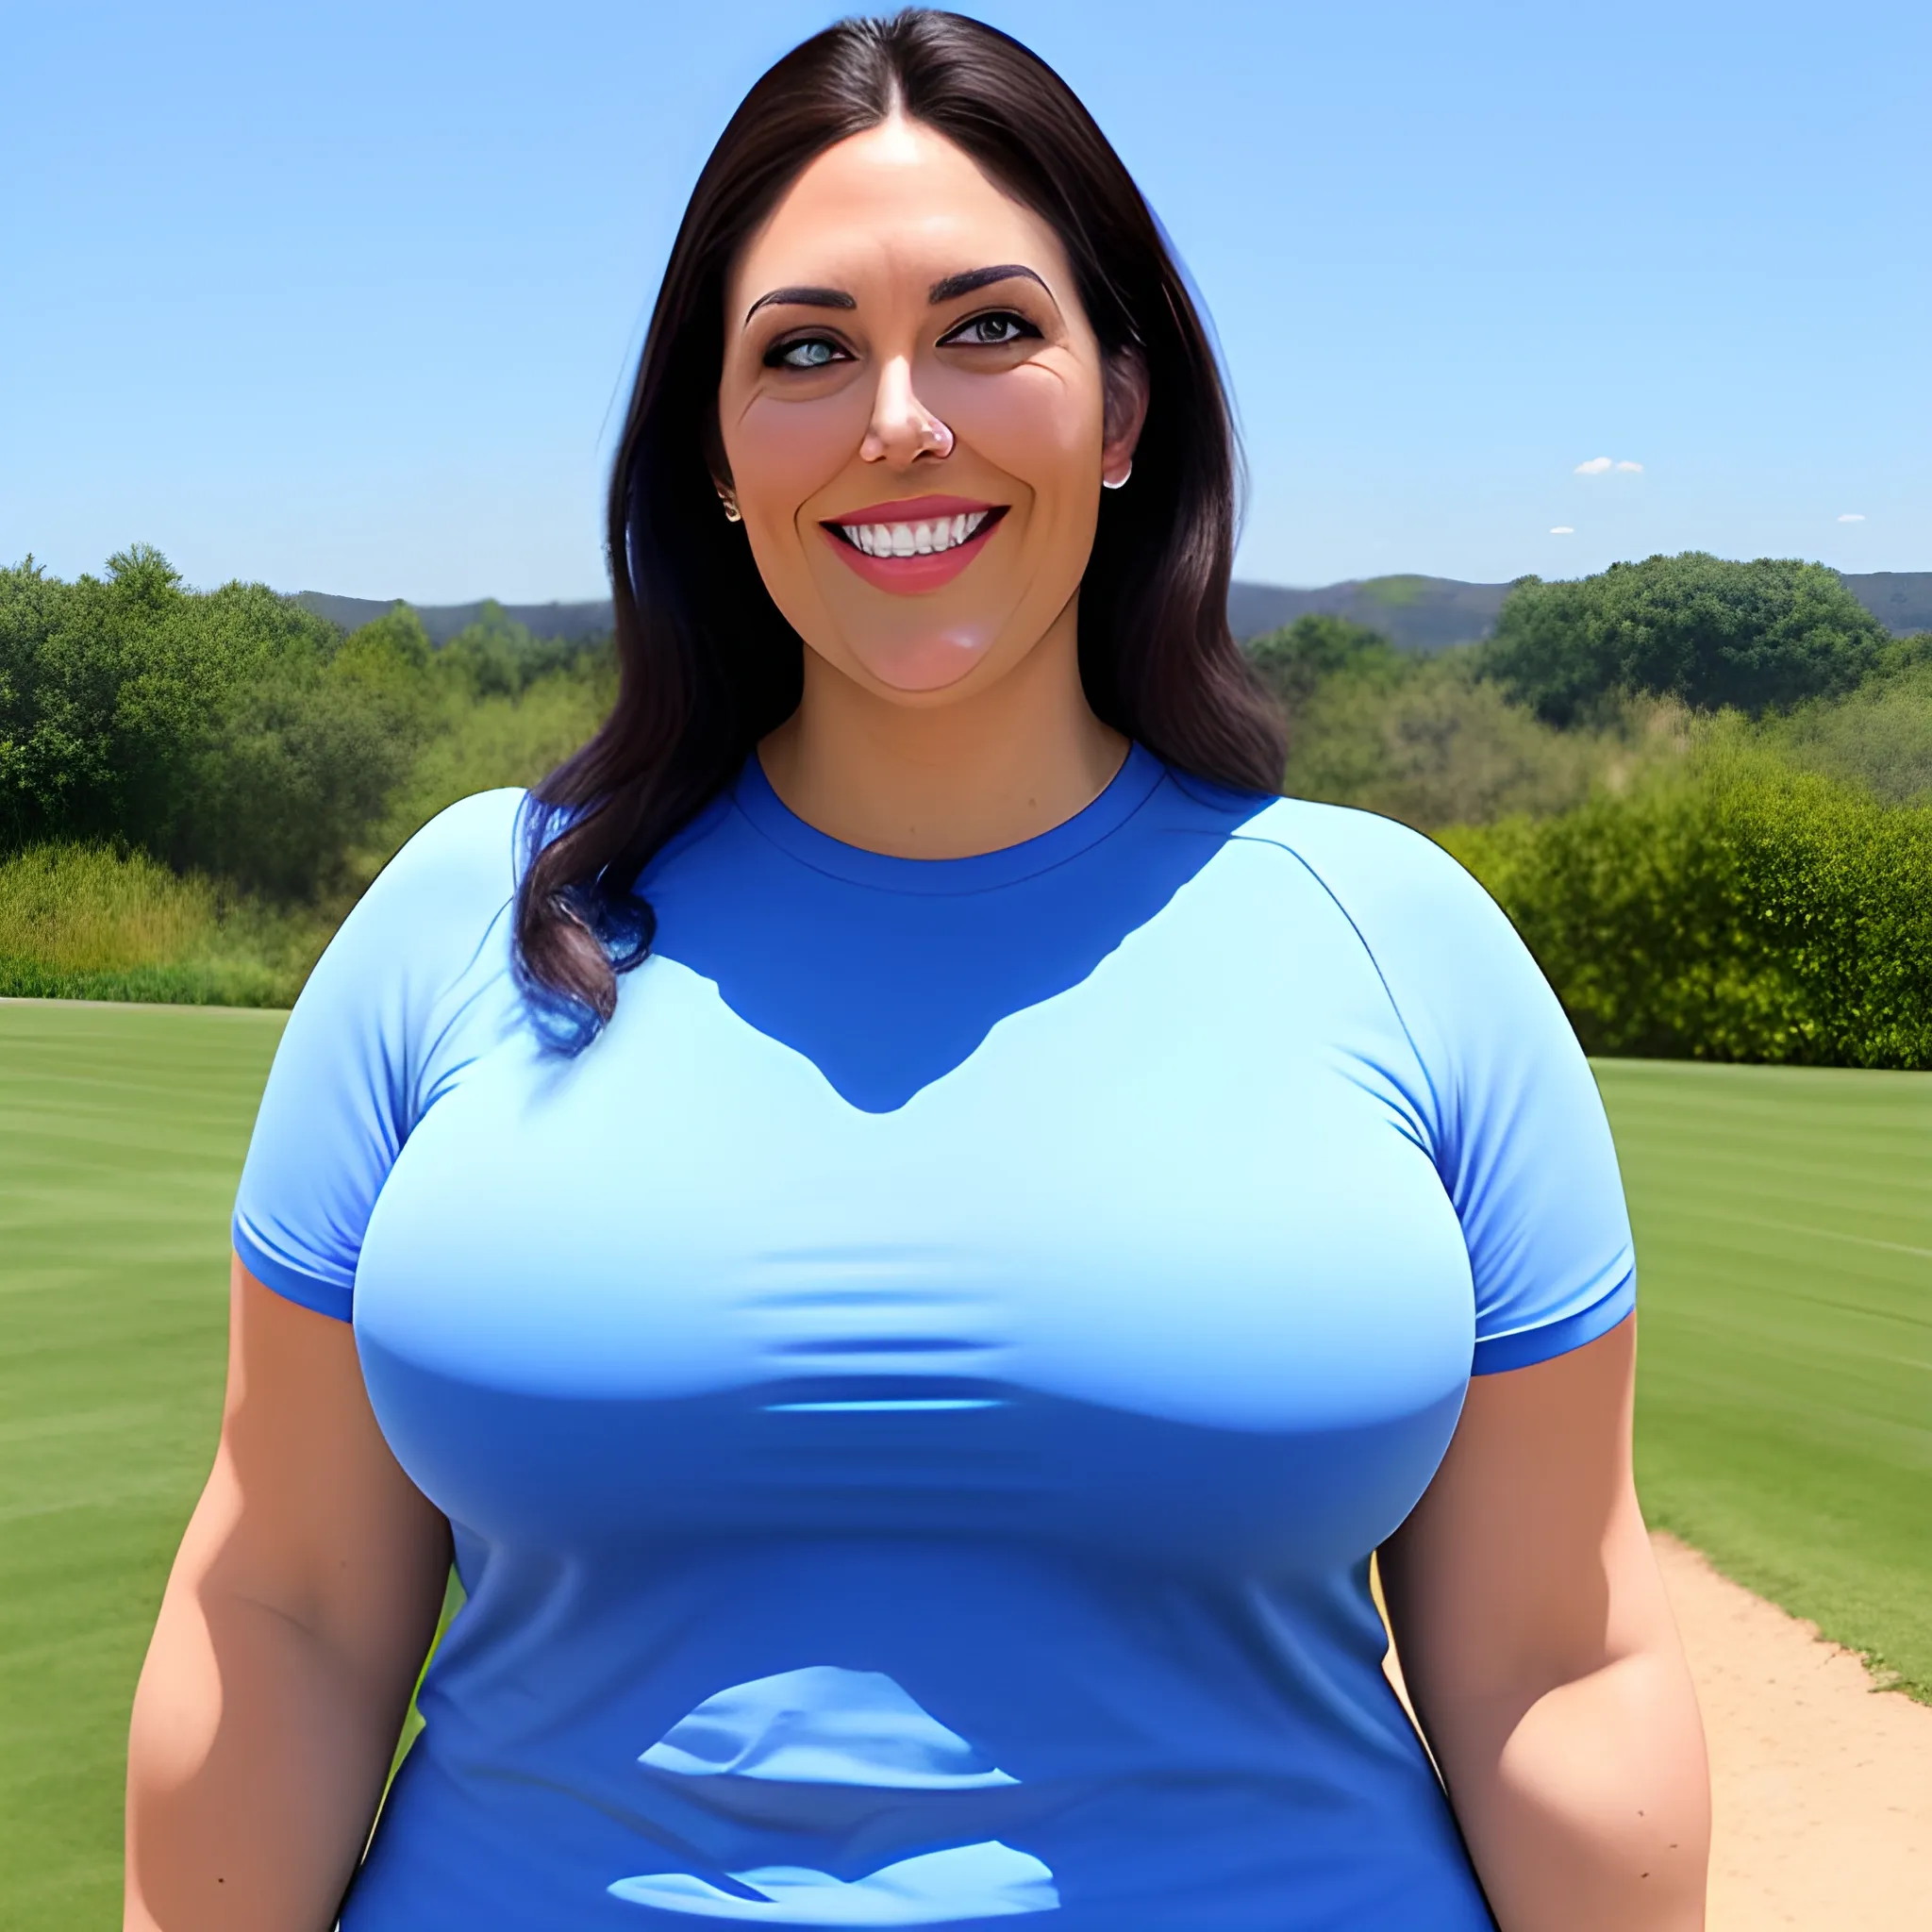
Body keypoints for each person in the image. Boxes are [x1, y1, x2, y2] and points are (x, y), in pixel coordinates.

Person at [125, 11, 1710, 1929]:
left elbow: (1566, 1660)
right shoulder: (468, 920)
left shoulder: (1405, 949)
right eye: (805, 351)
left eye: (990, 331)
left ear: (1122, 414)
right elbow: (278, 1602)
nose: (900, 418)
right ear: (713, 452)